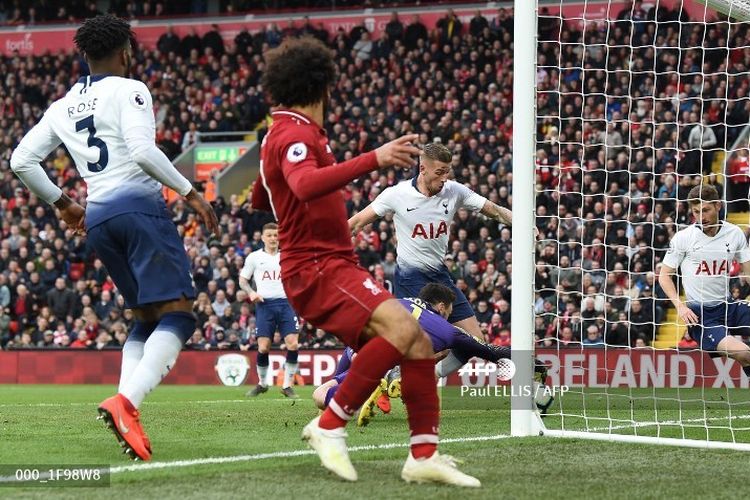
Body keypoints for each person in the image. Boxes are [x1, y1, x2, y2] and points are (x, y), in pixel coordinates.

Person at [251, 37, 479, 487]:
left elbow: (264, 194)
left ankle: (422, 454)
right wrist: (373, 159)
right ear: (323, 87)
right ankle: (329, 425)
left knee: (411, 341)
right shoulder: (295, 133)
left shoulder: (284, 133)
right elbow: (301, 185)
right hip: (317, 267)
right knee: (402, 331)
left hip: (328, 262)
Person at [10, 15, 219, 462]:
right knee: (180, 316)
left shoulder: (62, 106)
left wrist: (62, 203)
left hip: (99, 218)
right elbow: (142, 152)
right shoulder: (131, 89)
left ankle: (125, 407)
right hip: (139, 210)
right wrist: (192, 193)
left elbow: (21, 160)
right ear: (126, 51)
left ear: (84, 54)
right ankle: (127, 404)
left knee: (147, 319)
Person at [349, 142, 513, 377]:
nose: (445, 178)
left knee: (474, 340)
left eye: (448, 171)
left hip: (439, 276)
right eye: (439, 172)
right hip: (409, 278)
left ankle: (417, 377)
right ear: (422, 168)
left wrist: (524, 223)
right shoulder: (397, 195)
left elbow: (495, 210)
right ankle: (378, 371)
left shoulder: (455, 191)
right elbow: (355, 223)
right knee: (427, 340)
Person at [313, 284, 553, 425]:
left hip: (360, 343)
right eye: (449, 310)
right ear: (441, 307)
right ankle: (380, 384)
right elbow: (490, 351)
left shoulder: (397, 300)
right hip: (387, 354)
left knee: (321, 393)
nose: (449, 314)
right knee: (473, 348)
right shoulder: (446, 329)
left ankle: (375, 386)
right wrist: (528, 361)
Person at [659, 185, 750, 373]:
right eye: (696, 211)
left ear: (718, 206)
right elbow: (664, 276)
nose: (701, 217)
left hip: (729, 307)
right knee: (744, 353)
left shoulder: (735, 234)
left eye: (706, 210)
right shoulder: (683, 238)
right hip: (701, 317)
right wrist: (681, 306)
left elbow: (748, 273)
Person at [239, 222, 300, 398]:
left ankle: (287, 385)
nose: (273, 238)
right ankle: (262, 383)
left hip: (286, 304)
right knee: (264, 347)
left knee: (293, 343)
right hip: (265, 305)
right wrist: (251, 293)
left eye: (276, 235)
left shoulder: (288, 256)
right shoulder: (254, 257)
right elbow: (243, 280)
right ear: (263, 237)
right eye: (270, 235)